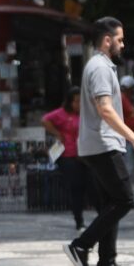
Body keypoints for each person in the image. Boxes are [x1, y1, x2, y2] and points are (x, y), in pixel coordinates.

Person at [64, 17, 134, 266]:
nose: (122, 45)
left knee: (110, 204)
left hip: (96, 145)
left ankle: (107, 261)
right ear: (107, 40)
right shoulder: (100, 68)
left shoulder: (98, 66)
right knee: (124, 200)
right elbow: (105, 109)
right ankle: (81, 245)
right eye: (120, 39)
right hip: (104, 144)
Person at [42, 87, 95, 232]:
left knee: (91, 185)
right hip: (68, 155)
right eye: (76, 101)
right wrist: (57, 133)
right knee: (76, 187)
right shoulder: (61, 114)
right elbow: (45, 120)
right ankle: (79, 220)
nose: (79, 104)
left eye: (80, 101)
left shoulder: (84, 114)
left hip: (85, 154)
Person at [119, 75, 134, 175]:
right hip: (125, 139)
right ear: (129, 88)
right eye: (133, 87)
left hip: (129, 138)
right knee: (127, 167)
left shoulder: (126, 99)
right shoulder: (120, 98)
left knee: (128, 165)